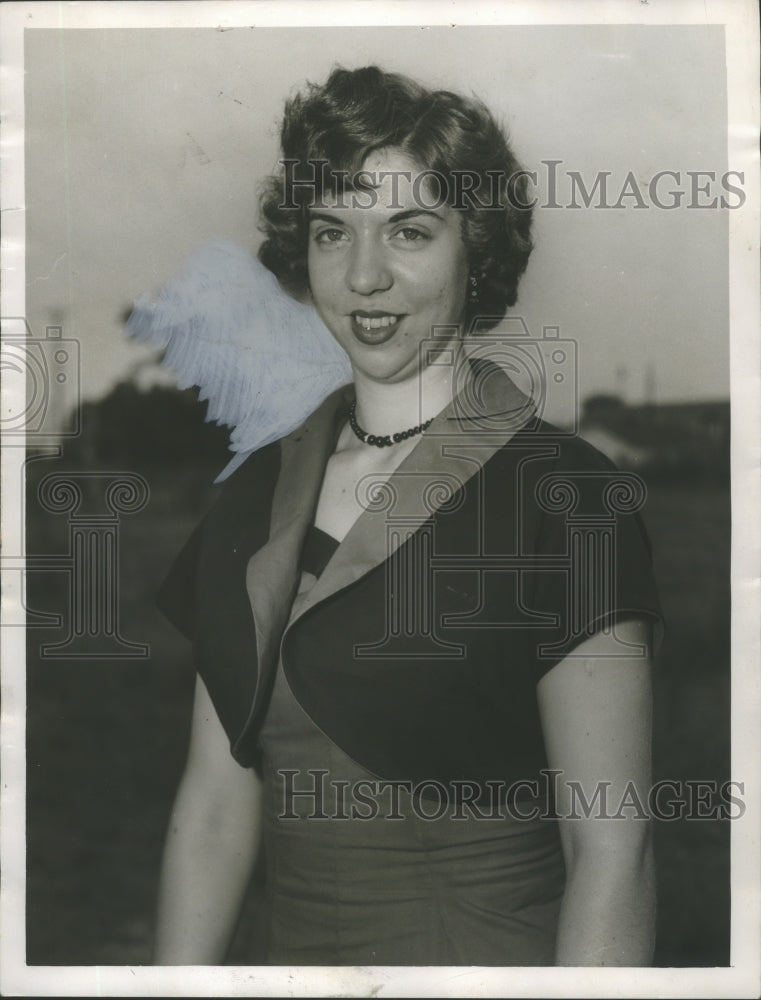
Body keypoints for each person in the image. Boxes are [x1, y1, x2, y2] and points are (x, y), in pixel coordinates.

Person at [151, 66, 662, 967]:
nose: (363, 275)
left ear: (478, 251)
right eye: (330, 231)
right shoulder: (253, 491)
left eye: (409, 231)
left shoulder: (566, 499)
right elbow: (213, 807)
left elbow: (611, 853)